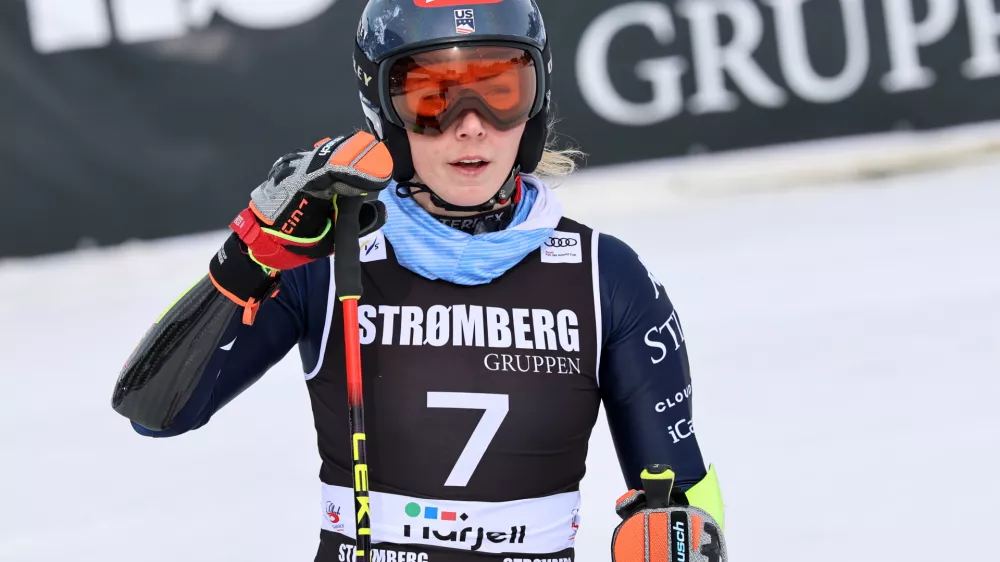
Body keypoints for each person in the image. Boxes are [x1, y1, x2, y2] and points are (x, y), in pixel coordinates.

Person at [111, 1, 727, 560]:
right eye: (433, 97)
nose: (471, 125)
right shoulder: (327, 260)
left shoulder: (606, 277)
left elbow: (683, 498)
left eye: (499, 90)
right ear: (384, 110)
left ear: (535, 102)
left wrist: (680, 536)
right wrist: (254, 254)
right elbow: (154, 410)